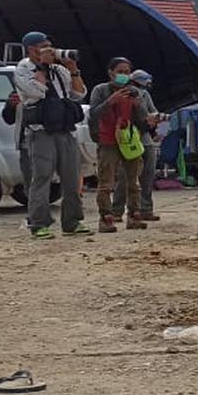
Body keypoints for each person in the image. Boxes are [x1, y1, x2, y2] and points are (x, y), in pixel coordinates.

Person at [14, 31, 89, 239]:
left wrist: (73, 69)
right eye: (44, 46)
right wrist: (42, 66)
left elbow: (79, 93)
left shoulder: (59, 70)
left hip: (65, 129)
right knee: (42, 177)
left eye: (50, 45)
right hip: (41, 131)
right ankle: (39, 224)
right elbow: (35, 92)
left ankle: (72, 222)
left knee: (72, 178)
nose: (50, 49)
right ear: (32, 49)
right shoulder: (23, 68)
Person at [87, 57, 150, 233]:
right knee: (106, 182)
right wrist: (111, 101)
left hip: (129, 140)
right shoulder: (100, 90)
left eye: (127, 72)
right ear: (111, 73)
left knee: (134, 182)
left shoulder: (133, 92)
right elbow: (94, 114)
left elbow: (142, 119)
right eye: (120, 72)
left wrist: (138, 106)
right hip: (108, 140)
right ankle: (106, 217)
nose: (124, 75)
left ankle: (134, 215)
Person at [112, 70, 162, 221]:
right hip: (127, 138)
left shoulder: (145, 95)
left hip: (145, 137)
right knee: (124, 177)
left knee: (148, 175)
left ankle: (146, 209)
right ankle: (116, 211)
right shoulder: (121, 94)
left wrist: (155, 119)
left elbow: (152, 113)